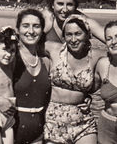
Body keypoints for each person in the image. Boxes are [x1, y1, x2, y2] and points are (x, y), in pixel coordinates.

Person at [0, 9, 51, 144]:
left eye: (36, 26)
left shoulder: (46, 61)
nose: (31, 31)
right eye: (25, 26)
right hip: (11, 133)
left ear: (42, 30)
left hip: (38, 135)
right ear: (17, 30)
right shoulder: (9, 60)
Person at [43, 14, 106, 143]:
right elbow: (25, 42)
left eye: (78, 34)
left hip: (83, 121)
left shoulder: (96, 56)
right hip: (52, 121)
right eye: (68, 34)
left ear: (88, 35)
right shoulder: (54, 50)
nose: (73, 39)